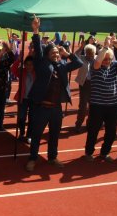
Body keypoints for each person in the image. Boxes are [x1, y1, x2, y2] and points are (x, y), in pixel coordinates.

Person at [25, 15, 83, 172]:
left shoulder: (63, 65)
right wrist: (35, 30)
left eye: (58, 53)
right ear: (47, 54)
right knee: (36, 135)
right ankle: (32, 158)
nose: (56, 55)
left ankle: (52, 157)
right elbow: (38, 48)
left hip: (56, 108)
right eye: (54, 53)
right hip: (42, 107)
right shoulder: (42, 63)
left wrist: (67, 53)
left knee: (54, 135)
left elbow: (79, 63)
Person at [83, 36, 117, 161]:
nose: (107, 61)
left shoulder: (114, 65)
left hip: (112, 105)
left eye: (109, 59)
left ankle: (105, 152)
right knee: (93, 130)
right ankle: (89, 153)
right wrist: (105, 47)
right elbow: (98, 62)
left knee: (111, 131)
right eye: (105, 59)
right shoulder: (95, 65)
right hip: (97, 105)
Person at [73, 36, 96, 132]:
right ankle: (78, 123)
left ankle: (89, 123)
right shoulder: (82, 58)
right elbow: (74, 55)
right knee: (83, 106)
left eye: (92, 53)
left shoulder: (96, 59)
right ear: (86, 52)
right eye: (88, 52)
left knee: (92, 106)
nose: (90, 54)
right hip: (84, 84)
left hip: (94, 85)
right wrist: (81, 47)